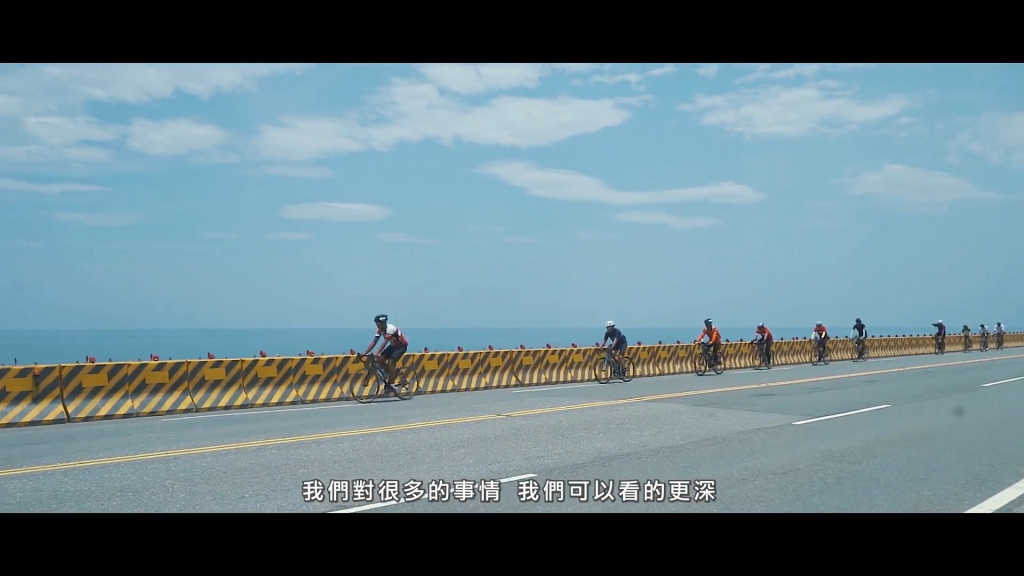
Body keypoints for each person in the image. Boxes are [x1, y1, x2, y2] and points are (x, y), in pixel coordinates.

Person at [359, 314, 409, 393]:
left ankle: (391, 384)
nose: (378, 325)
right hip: (393, 346)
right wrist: (365, 352)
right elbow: (374, 341)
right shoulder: (380, 330)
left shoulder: (390, 329)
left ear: (383, 323)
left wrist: (377, 353)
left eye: (379, 323)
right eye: (377, 323)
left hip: (401, 347)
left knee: (390, 363)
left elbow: (384, 343)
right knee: (379, 360)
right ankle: (393, 372)